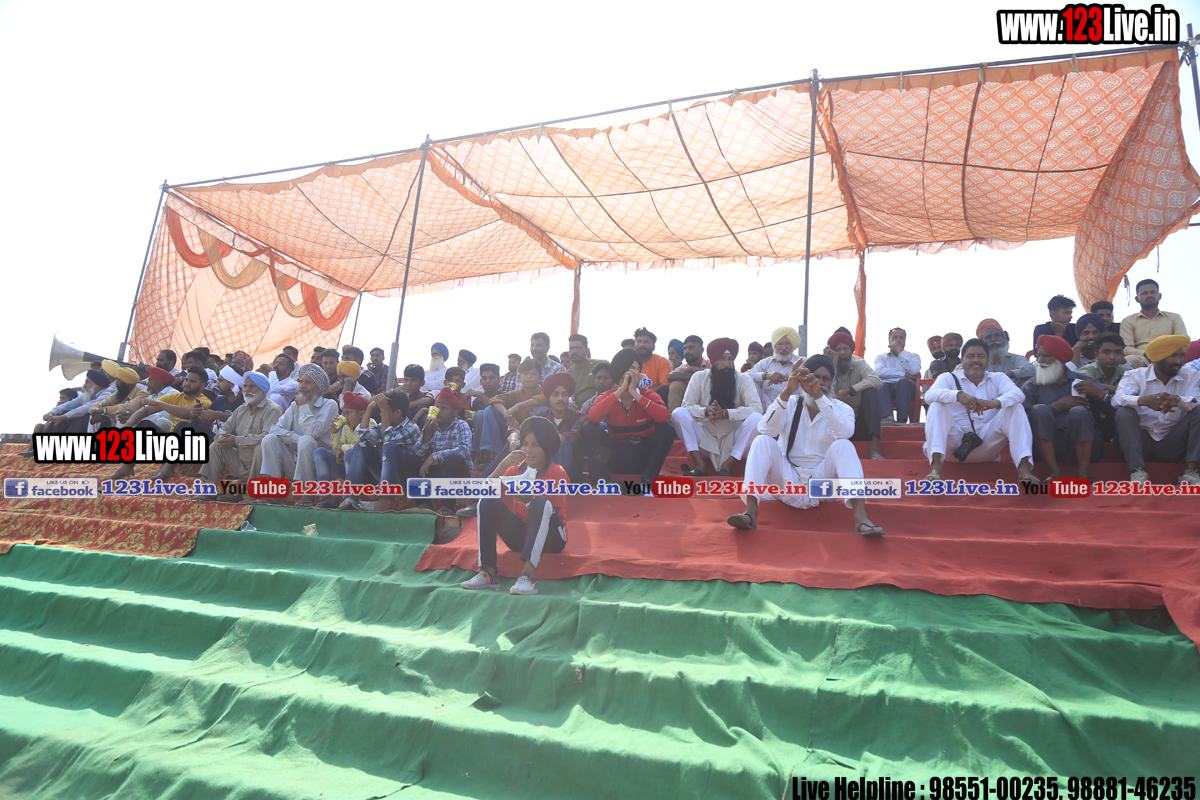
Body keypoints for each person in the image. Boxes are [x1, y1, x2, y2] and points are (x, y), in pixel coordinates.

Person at [727, 355, 884, 535]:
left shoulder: (842, 409)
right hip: (786, 481)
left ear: (832, 383)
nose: (820, 382)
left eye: (825, 379)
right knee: (762, 440)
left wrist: (818, 396)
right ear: (803, 380)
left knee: (844, 445)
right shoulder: (790, 403)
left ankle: (861, 518)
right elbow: (765, 429)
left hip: (820, 485)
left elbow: (845, 433)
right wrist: (787, 391)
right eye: (815, 377)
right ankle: (750, 512)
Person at [461, 417, 569, 595]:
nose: (528, 450)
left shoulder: (556, 472)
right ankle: (488, 573)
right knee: (487, 501)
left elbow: (555, 517)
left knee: (540, 503)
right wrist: (502, 464)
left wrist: (528, 500)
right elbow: (482, 492)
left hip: (552, 538)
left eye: (536, 445)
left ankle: (528, 576)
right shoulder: (514, 470)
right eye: (525, 444)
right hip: (520, 538)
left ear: (547, 448)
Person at [923, 338, 1036, 483]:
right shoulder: (948, 378)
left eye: (980, 356)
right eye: (971, 356)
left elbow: (1018, 394)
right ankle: (935, 469)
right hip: (953, 446)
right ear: (962, 360)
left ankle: (1024, 470)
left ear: (987, 359)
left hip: (987, 445)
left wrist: (994, 403)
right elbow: (929, 395)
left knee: (1015, 407)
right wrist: (958, 396)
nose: (976, 360)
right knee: (936, 405)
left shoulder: (998, 378)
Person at [1112, 334, 1200, 485]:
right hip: (1140, 444)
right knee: (1124, 411)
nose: (1179, 361)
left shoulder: (1190, 375)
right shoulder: (1135, 375)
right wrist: (1142, 400)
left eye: (1181, 356)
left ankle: (1190, 473)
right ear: (1157, 358)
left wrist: (1178, 400)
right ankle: (1137, 472)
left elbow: (1196, 399)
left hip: (1174, 444)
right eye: (1173, 356)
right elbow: (1117, 399)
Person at [584, 348, 674, 494]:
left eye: (638, 369)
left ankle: (648, 481)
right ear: (620, 370)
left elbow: (663, 417)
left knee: (667, 429)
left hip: (642, 456)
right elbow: (593, 417)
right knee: (589, 426)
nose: (635, 373)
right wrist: (621, 390)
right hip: (616, 456)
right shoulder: (607, 396)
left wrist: (634, 393)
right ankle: (602, 482)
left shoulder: (648, 395)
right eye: (631, 368)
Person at [672, 338, 763, 477]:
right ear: (713, 360)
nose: (727, 364)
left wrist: (727, 413)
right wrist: (705, 411)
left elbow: (757, 408)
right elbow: (687, 406)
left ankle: (728, 465)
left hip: (735, 443)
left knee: (757, 418)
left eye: (730, 359)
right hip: (704, 441)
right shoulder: (699, 377)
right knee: (678, 413)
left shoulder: (743, 379)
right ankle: (700, 465)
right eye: (722, 359)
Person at [1022, 335, 1105, 481]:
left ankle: (1083, 473)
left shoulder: (1086, 382)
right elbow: (1022, 422)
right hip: (1045, 447)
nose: (1040, 361)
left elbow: (1112, 411)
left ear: (1060, 359)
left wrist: (1101, 394)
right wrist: (1055, 407)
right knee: (1040, 410)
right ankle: (1053, 472)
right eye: (1038, 356)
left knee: (1079, 412)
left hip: (1084, 445)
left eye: (1045, 356)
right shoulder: (1031, 386)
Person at [112, 366, 212, 481]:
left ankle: (168, 468)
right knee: (145, 424)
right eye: (186, 380)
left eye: (192, 381)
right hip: (173, 445)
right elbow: (145, 410)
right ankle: (127, 466)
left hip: (192, 448)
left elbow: (186, 413)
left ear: (202, 386)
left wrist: (159, 404)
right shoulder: (175, 397)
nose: (187, 383)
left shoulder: (204, 401)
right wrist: (128, 424)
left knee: (185, 426)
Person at [199, 371, 284, 500]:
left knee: (260, 448)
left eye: (252, 386)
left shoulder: (273, 409)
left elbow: (268, 438)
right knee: (215, 446)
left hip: (263, 466)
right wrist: (222, 439)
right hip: (240, 462)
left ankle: (253, 494)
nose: (247, 390)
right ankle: (209, 490)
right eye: (245, 386)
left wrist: (235, 440)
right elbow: (225, 429)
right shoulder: (241, 409)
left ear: (262, 389)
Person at [256, 364, 338, 491]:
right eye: (301, 382)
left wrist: (304, 406)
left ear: (318, 388)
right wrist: (297, 439)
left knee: (307, 440)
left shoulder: (329, 405)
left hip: (320, 467)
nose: (301, 386)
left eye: (307, 382)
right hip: (295, 461)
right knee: (270, 439)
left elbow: (313, 432)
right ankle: (273, 491)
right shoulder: (295, 405)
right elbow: (275, 429)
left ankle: (306, 492)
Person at [344, 390, 423, 511]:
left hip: (403, 478)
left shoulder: (412, 428)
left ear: (397, 412)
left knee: (389, 446)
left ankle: (385, 501)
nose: (381, 414)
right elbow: (362, 434)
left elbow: (388, 438)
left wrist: (384, 409)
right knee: (362, 445)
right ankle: (350, 496)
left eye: (385, 410)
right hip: (384, 475)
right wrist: (369, 407)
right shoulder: (384, 425)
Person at [304, 391, 369, 508]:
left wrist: (343, 448)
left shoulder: (370, 423)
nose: (345, 417)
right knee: (320, 452)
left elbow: (364, 446)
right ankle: (329, 496)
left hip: (364, 472)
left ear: (362, 414)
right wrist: (334, 433)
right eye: (344, 413)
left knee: (349, 453)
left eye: (348, 413)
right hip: (346, 470)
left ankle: (349, 497)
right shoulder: (346, 428)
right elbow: (337, 452)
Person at [414, 387, 474, 514]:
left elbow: (464, 451)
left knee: (451, 459)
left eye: (444, 408)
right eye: (437, 408)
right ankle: (424, 502)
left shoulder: (461, 425)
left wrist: (434, 456)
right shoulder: (431, 426)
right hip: (438, 473)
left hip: (459, 474)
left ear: (455, 412)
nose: (439, 412)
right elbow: (417, 454)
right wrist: (427, 435)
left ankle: (447, 506)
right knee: (408, 460)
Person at [828, 331, 885, 460]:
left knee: (870, 391)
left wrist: (849, 390)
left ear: (851, 350)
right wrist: (833, 365)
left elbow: (876, 380)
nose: (842, 353)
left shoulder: (858, 362)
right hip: (837, 424)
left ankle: (875, 446)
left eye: (845, 349)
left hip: (859, 423)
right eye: (838, 350)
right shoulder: (827, 366)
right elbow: (828, 393)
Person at [1119, 279, 1188, 368]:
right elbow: (1126, 348)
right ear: (1137, 299)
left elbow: (1181, 341)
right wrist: (1146, 354)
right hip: (1142, 359)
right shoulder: (1128, 321)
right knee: (1128, 360)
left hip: (1169, 357)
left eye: (1153, 292)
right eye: (1144, 293)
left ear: (1159, 296)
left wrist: (1165, 354)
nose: (1149, 295)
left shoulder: (1174, 318)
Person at [533, 372, 586, 480]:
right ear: (548, 397)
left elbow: (574, 434)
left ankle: (556, 485)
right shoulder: (541, 416)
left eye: (564, 395)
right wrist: (514, 437)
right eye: (555, 395)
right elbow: (522, 429)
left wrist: (549, 439)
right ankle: (496, 480)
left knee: (562, 444)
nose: (560, 399)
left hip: (571, 472)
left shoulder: (579, 416)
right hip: (542, 468)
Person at [873, 327, 921, 423]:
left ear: (905, 340)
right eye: (895, 337)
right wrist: (905, 374)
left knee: (903, 382)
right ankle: (888, 418)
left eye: (901, 337)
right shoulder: (881, 358)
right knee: (880, 385)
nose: (898, 340)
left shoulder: (913, 356)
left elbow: (914, 371)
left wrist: (900, 352)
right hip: (886, 387)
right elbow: (880, 372)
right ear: (889, 340)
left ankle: (901, 421)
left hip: (907, 388)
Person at [747, 326, 802, 408]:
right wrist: (766, 375)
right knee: (751, 381)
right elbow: (745, 376)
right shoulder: (766, 363)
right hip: (767, 408)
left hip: (794, 408)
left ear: (793, 345)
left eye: (787, 344)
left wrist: (790, 377)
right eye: (780, 344)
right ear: (775, 346)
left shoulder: (802, 362)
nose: (784, 347)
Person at [85, 365, 147, 432]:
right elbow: (103, 402)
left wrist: (104, 410)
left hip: (135, 428)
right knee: (94, 416)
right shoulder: (120, 392)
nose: (116, 383)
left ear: (128, 383)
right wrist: (95, 410)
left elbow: (127, 407)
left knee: (123, 415)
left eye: (119, 380)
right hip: (115, 426)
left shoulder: (142, 393)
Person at [665, 335, 709, 411]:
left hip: (710, 407)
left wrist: (692, 369)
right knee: (676, 384)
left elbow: (716, 373)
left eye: (691, 348)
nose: (687, 351)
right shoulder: (683, 368)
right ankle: (674, 416)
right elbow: (671, 376)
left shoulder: (710, 364)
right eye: (685, 348)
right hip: (688, 407)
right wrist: (698, 375)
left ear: (701, 350)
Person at [566, 334, 601, 407]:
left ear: (587, 350)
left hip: (599, 406)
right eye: (571, 348)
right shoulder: (567, 374)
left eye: (578, 348)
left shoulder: (599, 365)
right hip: (577, 411)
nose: (574, 351)